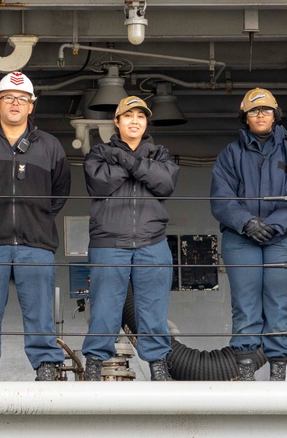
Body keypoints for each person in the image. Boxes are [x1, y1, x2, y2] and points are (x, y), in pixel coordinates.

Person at [0, 71, 71, 382]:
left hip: (36, 242)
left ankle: (46, 365)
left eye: (22, 99)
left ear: (32, 106)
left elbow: (60, 191)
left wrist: (38, 218)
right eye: (8, 98)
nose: (15, 103)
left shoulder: (50, 146)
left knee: (40, 310)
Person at [211, 88, 287, 381]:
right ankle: (246, 372)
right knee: (245, 305)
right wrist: (246, 223)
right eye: (254, 111)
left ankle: (278, 373)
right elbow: (221, 198)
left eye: (266, 110)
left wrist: (274, 225)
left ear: (275, 116)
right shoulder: (230, 155)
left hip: (283, 239)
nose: (260, 115)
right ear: (245, 117)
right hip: (241, 238)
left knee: (279, 304)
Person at [81, 96, 180, 382]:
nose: (134, 121)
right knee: (104, 308)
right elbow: (99, 183)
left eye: (140, 116)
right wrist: (138, 165)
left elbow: (166, 184)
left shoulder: (161, 153)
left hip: (153, 241)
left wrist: (126, 160)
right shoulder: (99, 152)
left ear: (146, 122)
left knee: (154, 309)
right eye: (128, 116)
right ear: (117, 121)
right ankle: (94, 364)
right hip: (109, 242)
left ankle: (158, 366)